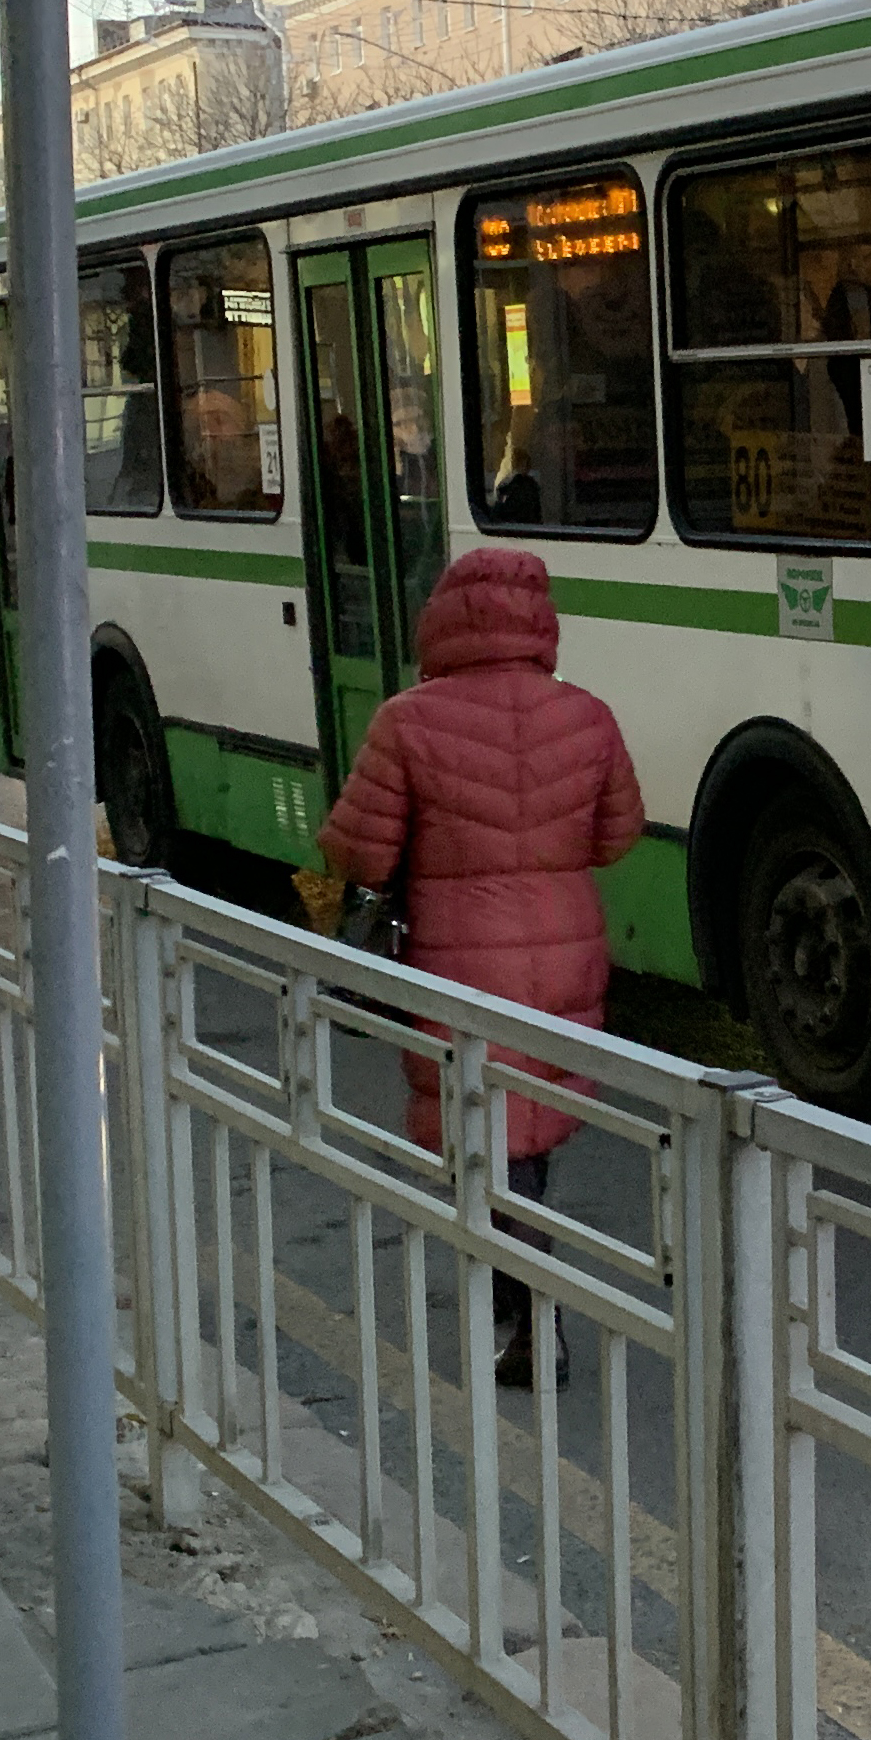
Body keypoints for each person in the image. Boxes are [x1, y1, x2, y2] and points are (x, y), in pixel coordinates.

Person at [316, 545, 644, 1388]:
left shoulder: (407, 721)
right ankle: (528, 1314)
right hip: (566, 954)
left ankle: (533, 1319)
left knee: (486, 1139)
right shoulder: (590, 715)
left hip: (459, 960)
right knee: (525, 1131)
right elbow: (615, 835)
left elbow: (359, 848)